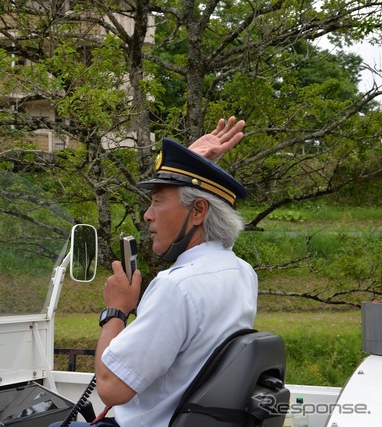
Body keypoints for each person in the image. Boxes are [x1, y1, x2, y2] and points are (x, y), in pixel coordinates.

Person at [50, 116, 256, 427]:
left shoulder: (177, 287)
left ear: (198, 211)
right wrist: (188, 163)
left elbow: (110, 389)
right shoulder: (242, 273)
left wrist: (116, 312)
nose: (147, 215)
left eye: (157, 202)